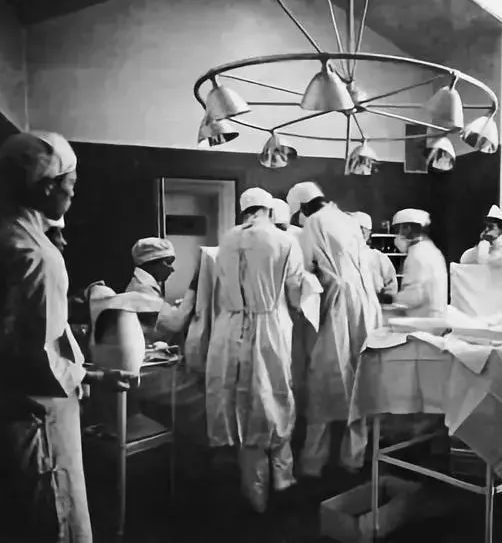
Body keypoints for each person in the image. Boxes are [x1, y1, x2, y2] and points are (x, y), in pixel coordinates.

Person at [0, 132, 135, 543]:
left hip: (10, 407)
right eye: (71, 183)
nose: (73, 194)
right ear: (47, 185)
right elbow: (38, 358)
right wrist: (93, 376)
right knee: (57, 518)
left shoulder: (5, 236)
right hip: (38, 415)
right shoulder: (35, 256)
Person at [205, 186, 305, 513]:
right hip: (270, 326)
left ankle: (254, 490)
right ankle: (282, 481)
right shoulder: (284, 241)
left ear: (243, 209)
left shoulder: (227, 240)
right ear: (269, 210)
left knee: (240, 402)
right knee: (274, 396)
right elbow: (295, 291)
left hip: (230, 327)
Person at [286, 181, 381, 478]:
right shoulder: (348, 220)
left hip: (338, 307)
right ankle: (354, 459)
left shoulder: (313, 223)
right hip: (365, 307)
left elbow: (303, 271)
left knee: (324, 383)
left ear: (302, 207)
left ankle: (313, 463)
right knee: (360, 384)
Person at [127, 237, 197, 343]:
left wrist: (177, 307)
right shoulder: (141, 291)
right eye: (168, 262)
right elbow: (175, 323)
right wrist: (193, 287)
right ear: (151, 261)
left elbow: (160, 316)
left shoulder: (143, 286)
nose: (172, 269)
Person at [387, 209, 448, 317]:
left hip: (423, 320)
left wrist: (390, 298)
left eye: (398, 230)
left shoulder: (418, 254)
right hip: (432, 316)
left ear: (408, 228)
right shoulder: (429, 249)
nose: (397, 235)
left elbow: (415, 296)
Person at [351, 211, 398, 300]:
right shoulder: (342, 256)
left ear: (368, 233)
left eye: (362, 229)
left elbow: (391, 290)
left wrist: (380, 300)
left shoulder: (379, 258)